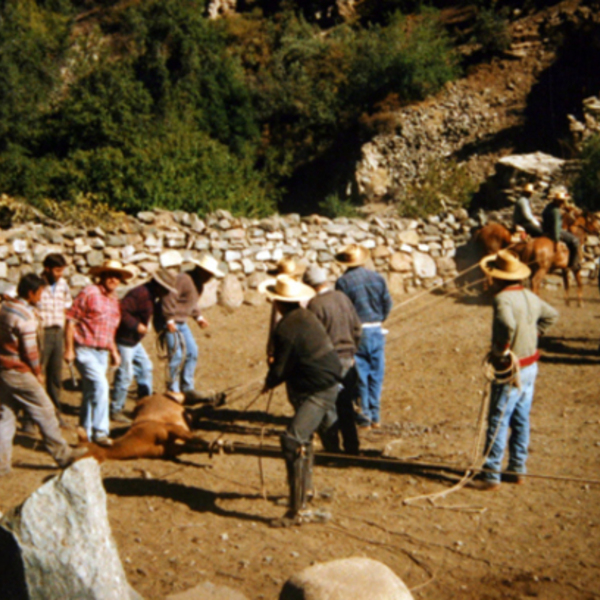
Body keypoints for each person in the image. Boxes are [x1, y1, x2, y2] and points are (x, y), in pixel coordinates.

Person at [259, 275, 342, 527]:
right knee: (302, 439)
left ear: (279, 303)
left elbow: (281, 367)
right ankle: (304, 493)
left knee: (292, 439)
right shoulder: (304, 317)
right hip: (324, 381)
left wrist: (269, 382)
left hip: (321, 388)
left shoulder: (287, 327)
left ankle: (297, 511)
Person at [477, 250, 558, 490]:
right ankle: (517, 467)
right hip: (530, 365)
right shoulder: (530, 296)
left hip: (511, 369)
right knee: (521, 418)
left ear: (499, 277)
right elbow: (552, 315)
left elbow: (507, 324)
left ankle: (491, 473)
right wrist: (534, 334)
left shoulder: (502, 299)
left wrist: (502, 350)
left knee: (499, 419)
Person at [0, 274, 87, 475]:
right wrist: (37, 372)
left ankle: (2, 464)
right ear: (31, 293)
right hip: (19, 370)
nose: (41, 296)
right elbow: (30, 351)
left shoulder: (6, 308)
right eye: (39, 293)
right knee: (46, 410)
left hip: (3, 367)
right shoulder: (25, 318)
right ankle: (62, 454)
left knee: (6, 415)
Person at [65, 259, 132, 446]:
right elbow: (71, 320)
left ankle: (84, 431)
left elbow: (109, 330)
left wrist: (114, 351)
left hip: (102, 352)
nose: (113, 279)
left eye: (117, 276)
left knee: (90, 391)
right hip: (84, 350)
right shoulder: (89, 293)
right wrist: (69, 349)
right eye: (109, 275)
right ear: (101, 276)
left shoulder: (114, 300)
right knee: (101, 386)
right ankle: (101, 432)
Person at [303, 264, 362, 455]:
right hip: (348, 359)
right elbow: (357, 328)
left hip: (327, 361)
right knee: (345, 404)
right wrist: (353, 352)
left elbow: (312, 339)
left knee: (327, 405)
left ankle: (332, 447)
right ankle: (352, 446)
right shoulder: (342, 298)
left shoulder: (314, 305)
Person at [110, 268, 179, 423]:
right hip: (125, 339)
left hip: (133, 341)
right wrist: (136, 326)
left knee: (146, 367)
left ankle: (144, 404)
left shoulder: (151, 296)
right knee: (125, 374)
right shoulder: (140, 294)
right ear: (158, 285)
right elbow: (122, 311)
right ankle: (116, 409)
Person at [335, 244, 392, 429]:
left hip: (357, 331)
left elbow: (343, 310)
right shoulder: (377, 278)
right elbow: (387, 303)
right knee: (377, 373)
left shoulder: (343, 282)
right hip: (376, 329)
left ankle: (365, 414)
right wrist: (379, 318)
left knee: (361, 374)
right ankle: (375, 415)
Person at [153, 251, 215, 394]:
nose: (209, 277)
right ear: (200, 270)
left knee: (192, 352)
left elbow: (190, 303)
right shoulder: (183, 279)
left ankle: (187, 387)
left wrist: (198, 317)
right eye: (207, 273)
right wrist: (169, 319)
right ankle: (172, 389)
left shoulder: (199, 284)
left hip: (181, 321)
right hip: (169, 320)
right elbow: (168, 297)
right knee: (176, 354)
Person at [37, 253, 72, 424]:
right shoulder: (36, 284)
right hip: (41, 333)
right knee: (36, 374)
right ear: (47, 269)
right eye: (57, 270)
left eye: (62, 270)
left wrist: (67, 340)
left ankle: (54, 413)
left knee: (55, 376)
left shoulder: (63, 285)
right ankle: (31, 417)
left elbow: (67, 309)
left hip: (58, 332)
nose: (60, 274)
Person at [542, 189, 581, 270]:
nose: (562, 203)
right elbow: (556, 227)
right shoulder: (556, 211)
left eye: (562, 201)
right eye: (561, 201)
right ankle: (572, 264)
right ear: (557, 201)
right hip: (554, 232)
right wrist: (556, 240)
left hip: (545, 229)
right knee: (575, 240)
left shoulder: (549, 207)